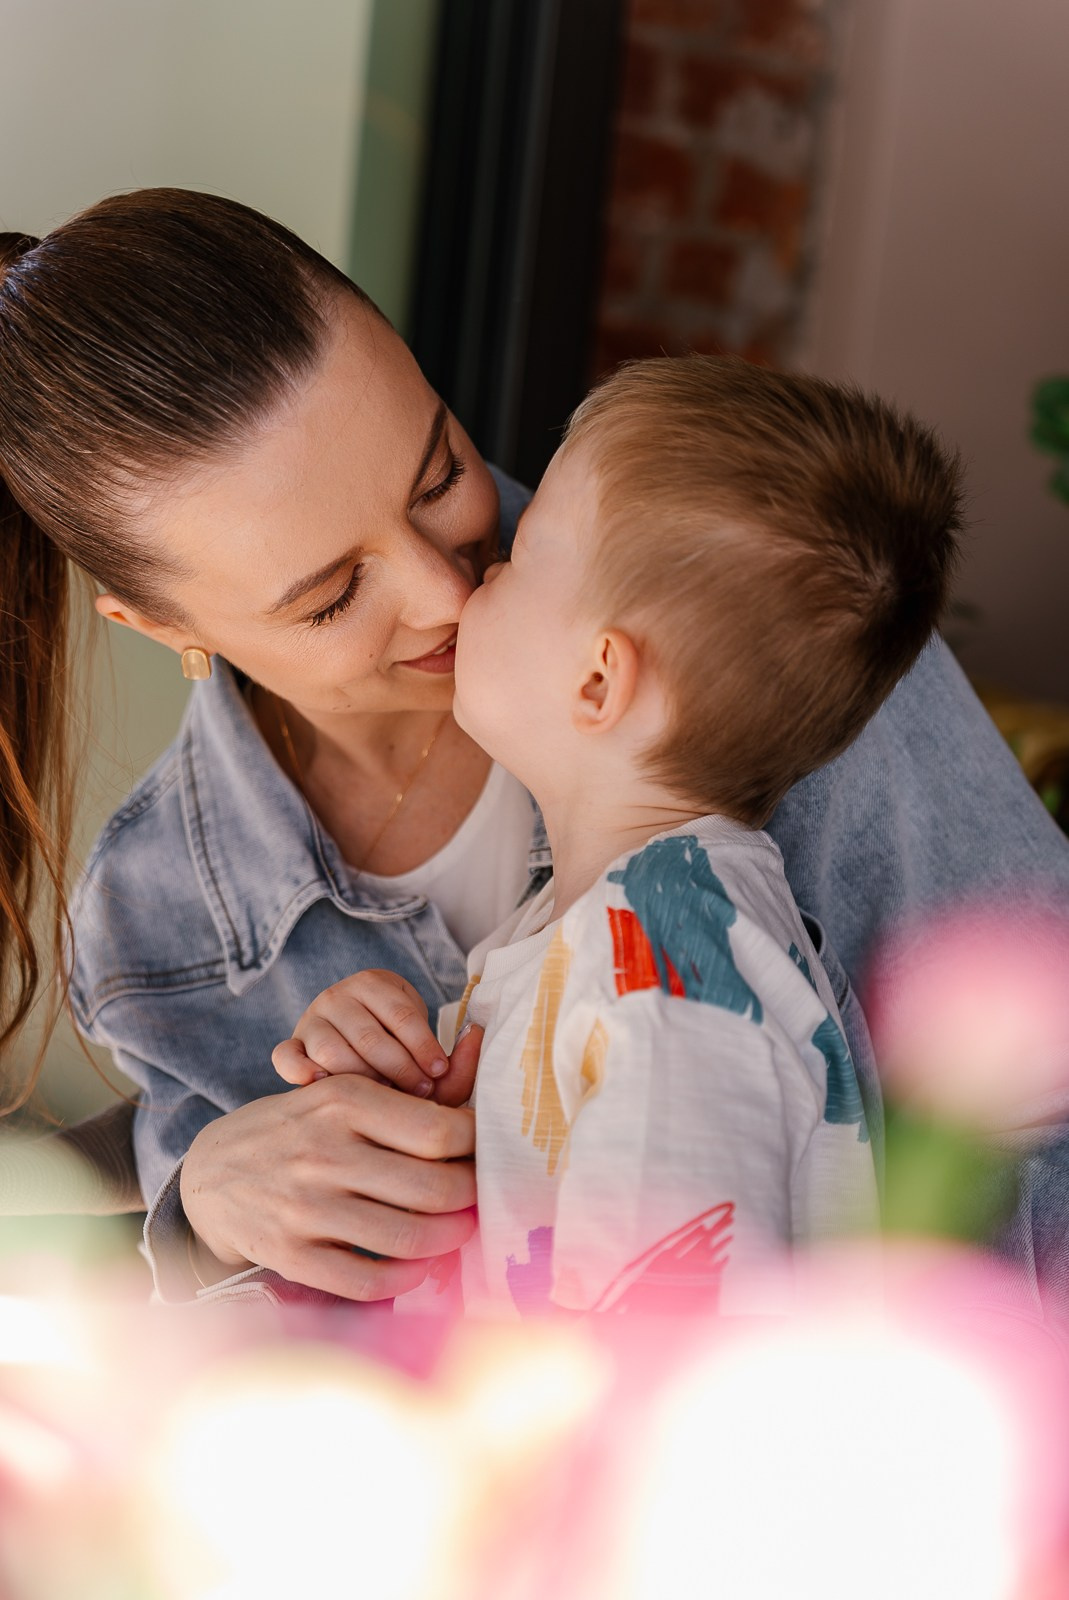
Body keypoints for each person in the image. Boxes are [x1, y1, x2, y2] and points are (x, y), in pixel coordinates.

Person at [1, 190, 1066, 1309]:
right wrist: (205, 1213)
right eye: (331, 596)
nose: (445, 589)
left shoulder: (757, 602)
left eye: (437, 476)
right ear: (168, 629)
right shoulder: (158, 919)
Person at [276, 355, 962, 1315]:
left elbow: (659, 1342)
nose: (473, 582)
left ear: (598, 681)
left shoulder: (671, 973)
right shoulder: (598, 927)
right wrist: (395, 1094)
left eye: (523, 557)